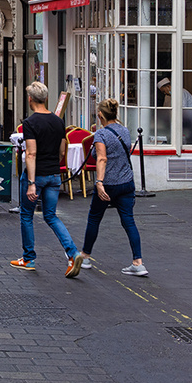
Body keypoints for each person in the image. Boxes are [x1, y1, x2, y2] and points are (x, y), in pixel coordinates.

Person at [13, 82, 82, 276]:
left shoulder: (30, 123)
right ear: (45, 99)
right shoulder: (58, 121)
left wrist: (32, 183)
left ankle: (28, 258)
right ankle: (72, 252)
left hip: (37, 175)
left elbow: (31, 154)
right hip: (54, 174)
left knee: (26, 215)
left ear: (30, 99)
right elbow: (62, 150)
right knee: (51, 216)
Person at [80, 99, 146, 277]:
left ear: (100, 115)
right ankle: (138, 262)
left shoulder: (101, 135)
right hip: (126, 182)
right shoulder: (124, 130)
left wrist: (99, 182)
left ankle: (85, 256)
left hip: (109, 183)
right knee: (128, 221)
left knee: (94, 218)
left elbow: (102, 158)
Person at [157, 77, 192, 145]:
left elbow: (182, 109)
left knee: (189, 138)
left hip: (190, 117)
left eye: (164, 91)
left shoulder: (181, 92)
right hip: (183, 118)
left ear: (168, 87)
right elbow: (166, 108)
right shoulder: (168, 96)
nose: (165, 93)